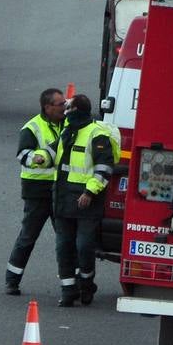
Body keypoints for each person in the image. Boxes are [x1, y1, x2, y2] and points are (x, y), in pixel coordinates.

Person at [52, 94, 121, 307]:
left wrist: (90, 192)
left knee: (83, 246)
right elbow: (54, 152)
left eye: (68, 106)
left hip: (86, 201)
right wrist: (36, 157)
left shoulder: (96, 134)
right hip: (63, 198)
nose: (64, 109)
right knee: (64, 246)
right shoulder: (67, 130)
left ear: (77, 110)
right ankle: (68, 289)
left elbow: (104, 167)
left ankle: (87, 283)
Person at [4, 88, 66, 296]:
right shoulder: (32, 128)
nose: (64, 107)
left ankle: (72, 284)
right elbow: (23, 154)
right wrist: (37, 159)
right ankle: (12, 280)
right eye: (60, 104)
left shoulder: (67, 124)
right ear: (47, 107)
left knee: (66, 238)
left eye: (65, 103)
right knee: (28, 237)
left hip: (61, 190)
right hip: (37, 191)